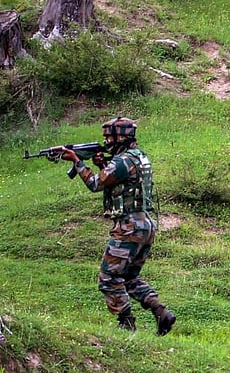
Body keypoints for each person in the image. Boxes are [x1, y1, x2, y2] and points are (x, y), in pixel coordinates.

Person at [61, 117, 176, 335]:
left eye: (109, 137)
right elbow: (122, 182)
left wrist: (77, 162)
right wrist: (103, 165)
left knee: (109, 278)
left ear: (120, 137)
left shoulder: (122, 160)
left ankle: (127, 324)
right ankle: (161, 312)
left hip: (128, 226)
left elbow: (95, 184)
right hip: (145, 224)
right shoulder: (138, 156)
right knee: (129, 277)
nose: (106, 141)